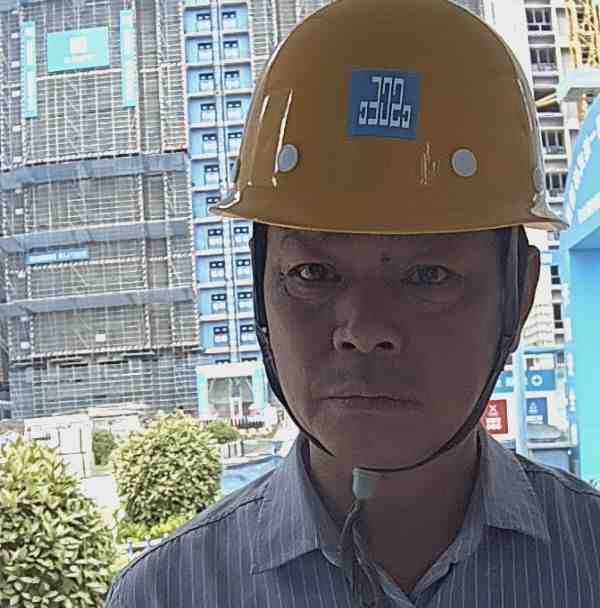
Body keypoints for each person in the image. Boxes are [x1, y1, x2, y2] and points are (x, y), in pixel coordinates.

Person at [105, 0, 600, 606]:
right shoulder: (168, 594)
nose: (364, 329)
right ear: (260, 289)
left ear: (519, 296)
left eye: (428, 275)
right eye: (313, 273)